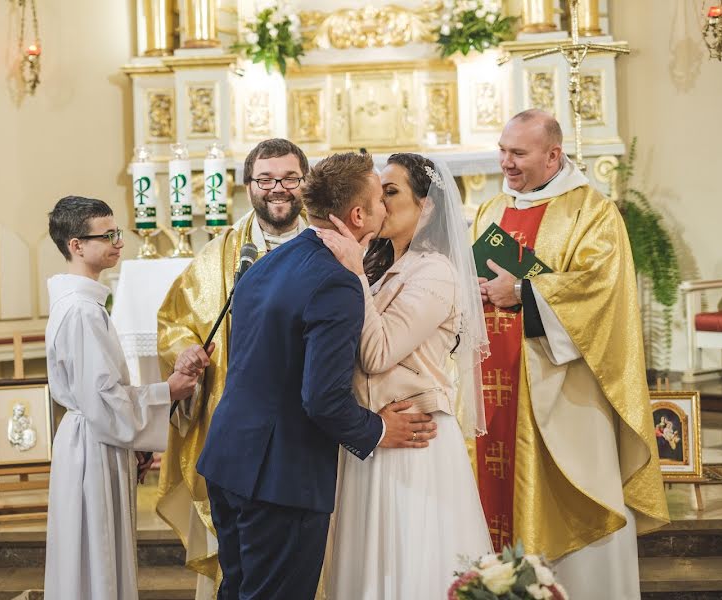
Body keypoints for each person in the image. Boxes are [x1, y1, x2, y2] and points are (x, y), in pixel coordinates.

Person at [196, 152, 438, 600]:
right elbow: (322, 399)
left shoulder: (267, 262)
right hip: (280, 476)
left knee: (237, 591)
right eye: (379, 199)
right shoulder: (336, 281)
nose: (386, 208)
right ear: (358, 214)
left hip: (228, 458)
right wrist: (379, 428)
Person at [472, 110, 669, 598]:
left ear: (553, 154)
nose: (506, 162)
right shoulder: (491, 208)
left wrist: (522, 291)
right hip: (493, 389)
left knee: (574, 512)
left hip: (564, 396)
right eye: (503, 150)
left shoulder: (592, 212)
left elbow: (603, 293)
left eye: (518, 153)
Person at [317, 153, 493, 599]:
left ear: (427, 206)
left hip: (414, 442)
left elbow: (377, 353)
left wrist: (352, 271)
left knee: (409, 565)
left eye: (390, 192)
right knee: (370, 566)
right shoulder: (380, 267)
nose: (379, 201)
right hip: (378, 434)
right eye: (378, 192)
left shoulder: (435, 271)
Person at [155, 138, 311, 598]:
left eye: (288, 178)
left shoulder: (327, 245)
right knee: (243, 565)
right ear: (249, 186)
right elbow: (176, 321)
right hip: (237, 436)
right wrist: (185, 350)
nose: (277, 189)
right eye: (265, 179)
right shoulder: (221, 253)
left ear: (306, 182)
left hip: (305, 432)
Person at [43, 196, 198, 600]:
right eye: (107, 235)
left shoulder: (85, 303)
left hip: (97, 438)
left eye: (118, 233)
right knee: (95, 557)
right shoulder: (81, 312)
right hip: (93, 445)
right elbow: (103, 400)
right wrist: (169, 390)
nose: (118, 242)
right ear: (75, 245)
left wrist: (136, 445)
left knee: (96, 553)